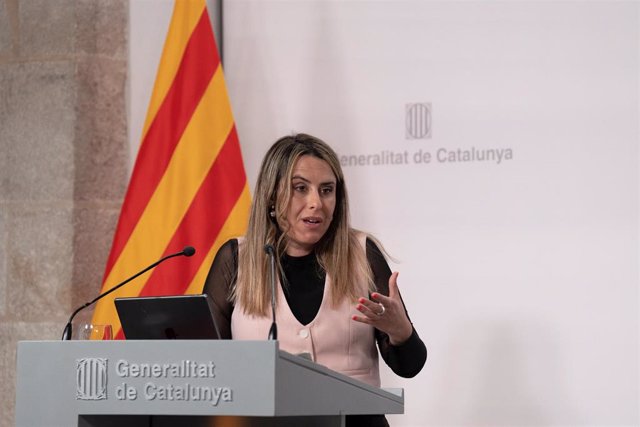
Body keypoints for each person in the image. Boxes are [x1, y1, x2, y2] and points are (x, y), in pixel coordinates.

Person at [203, 133, 427, 427]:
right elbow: (204, 366)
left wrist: (401, 333)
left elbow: (410, 366)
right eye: (300, 188)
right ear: (272, 196)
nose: (316, 203)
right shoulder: (236, 258)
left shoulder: (362, 254)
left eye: (326, 190)